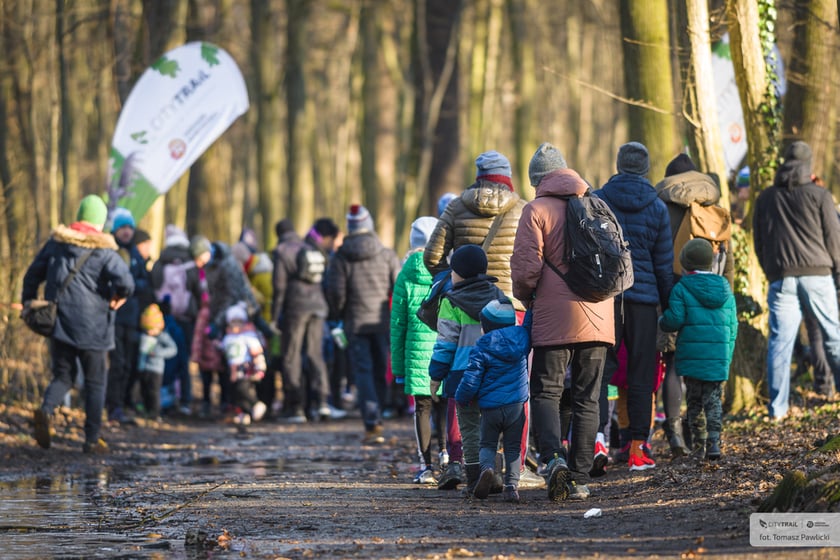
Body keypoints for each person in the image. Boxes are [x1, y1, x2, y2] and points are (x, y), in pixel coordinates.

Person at [511, 142, 615, 501]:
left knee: (547, 391)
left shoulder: (535, 210)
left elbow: (526, 270)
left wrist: (529, 300)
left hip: (555, 316)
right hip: (600, 314)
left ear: (536, 180)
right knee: (588, 396)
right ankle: (581, 476)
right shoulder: (597, 204)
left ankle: (554, 459)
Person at [424, 151, 530, 491]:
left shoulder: (456, 206)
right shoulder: (522, 208)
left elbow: (432, 256)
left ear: (479, 175)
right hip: (509, 305)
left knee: (464, 385)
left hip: (461, 300)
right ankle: (517, 464)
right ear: (508, 176)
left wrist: (454, 280)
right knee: (513, 385)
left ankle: (460, 461)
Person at [22, 194, 134, 453]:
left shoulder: (57, 243)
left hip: (59, 323)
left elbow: (32, 274)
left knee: (64, 375)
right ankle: (92, 440)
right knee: (95, 383)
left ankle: (46, 409)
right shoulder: (105, 251)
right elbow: (127, 282)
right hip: (95, 328)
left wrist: (28, 302)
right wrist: (118, 298)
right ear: (100, 221)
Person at [594, 141, 673, 471]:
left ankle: (596, 439)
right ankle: (638, 448)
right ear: (645, 168)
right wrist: (667, 308)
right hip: (643, 299)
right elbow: (663, 263)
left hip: (606, 298)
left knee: (598, 370)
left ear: (618, 163)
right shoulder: (657, 207)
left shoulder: (599, 199)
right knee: (641, 374)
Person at [753, 141, 840, 420]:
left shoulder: (766, 198)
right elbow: (834, 239)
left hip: (782, 278)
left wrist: (771, 271)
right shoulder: (820, 195)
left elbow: (759, 241)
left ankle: (777, 410)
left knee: (780, 344)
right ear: (809, 163)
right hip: (819, 275)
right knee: (834, 338)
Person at [655, 153, 734, 457]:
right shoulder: (714, 206)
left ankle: (675, 434)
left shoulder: (661, 205)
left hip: (674, 290)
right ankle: (705, 438)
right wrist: (725, 291)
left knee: (674, 364)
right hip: (713, 295)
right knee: (708, 376)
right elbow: (728, 258)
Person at [428, 244, 505, 495]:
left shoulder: (451, 302)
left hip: (463, 374)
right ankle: (492, 470)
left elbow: (445, 343)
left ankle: (474, 477)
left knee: (469, 426)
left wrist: (435, 376)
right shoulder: (498, 296)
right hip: (495, 372)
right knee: (492, 425)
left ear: (459, 274)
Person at [326, 205, 401, 444]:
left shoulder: (341, 257)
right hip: (381, 321)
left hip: (355, 323)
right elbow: (397, 286)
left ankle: (372, 421)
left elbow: (336, 292)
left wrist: (339, 313)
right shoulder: (386, 253)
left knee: (363, 371)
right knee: (380, 368)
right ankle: (379, 411)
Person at [659, 239, 738, 459]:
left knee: (693, 401)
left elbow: (674, 319)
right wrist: (727, 353)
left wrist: (661, 322)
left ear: (685, 263)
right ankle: (714, 442)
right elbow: (733, 325)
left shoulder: (682, 288)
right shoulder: (725, 288)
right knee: (713, 400)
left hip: (692, 358)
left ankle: (698, 445)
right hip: (718, 356)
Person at [455, 298, 530, 503]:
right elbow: (529, 323)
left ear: (486, 326)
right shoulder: (523, 338)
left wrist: (461, 398)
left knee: (487, 445)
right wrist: (531, 304)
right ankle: (511, 487)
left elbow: (471, 379)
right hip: (516, 406)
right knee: (513, 447)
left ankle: (487, 470)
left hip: (490, 408)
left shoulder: (482, 346)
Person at [390, 216, 447, 484]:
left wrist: (398, 368)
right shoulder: (447, 269)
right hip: (445, 348)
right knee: (445, 405)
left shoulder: (405, 273)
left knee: (422, 409)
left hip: (415, 354)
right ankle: (448, 455)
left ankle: (426, 466)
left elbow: (398, 324)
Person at [273, 218, 343, 423]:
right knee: (315, 354)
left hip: (296, 307)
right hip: (318, 306)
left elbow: (279, 287)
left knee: (292, 355)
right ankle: (322, 403)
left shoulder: (282, 250)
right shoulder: (311, 247)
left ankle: (295, 407)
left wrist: (276, 314)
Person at [105, 209, 155, 424]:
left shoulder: (135, 254)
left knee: (130, 364)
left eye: (129, 228)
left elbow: (146, 284)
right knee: (117, 363)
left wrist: (133, 287)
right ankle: (113, 406)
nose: (126, 232)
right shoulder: (109, 251)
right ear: (115, 230)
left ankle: (123, 403)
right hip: (113, 317)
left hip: (132, 318)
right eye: (122, 228)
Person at [151, 225, 206, 415]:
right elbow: (199, 290)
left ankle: (165, 399)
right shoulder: (190, 262)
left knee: (166, 357)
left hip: (164, 317)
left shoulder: (161, 261)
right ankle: (185, 399)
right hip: (187, 318)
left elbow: (154, 287)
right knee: (184, 360)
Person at [221, 302, 268, 430]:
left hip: (245, 369)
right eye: (233, 322)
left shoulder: (248, 337)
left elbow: (257, 353)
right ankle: (243, 413)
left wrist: (260, 369)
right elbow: (224, 349)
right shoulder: (228, 338)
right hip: (232, 370)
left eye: (239, 322)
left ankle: (256, 404)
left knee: (244, 389)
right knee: (235, 392)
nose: (236, 325)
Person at [137, 303, 179, 422]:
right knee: (144, 390)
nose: (150, 332)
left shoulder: (163, 337)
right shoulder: (143, 336)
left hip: (156, 369)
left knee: (154, 391)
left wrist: (158, 353)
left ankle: (155, 413)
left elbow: (173, 349)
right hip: (143, 368)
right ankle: (146, 410)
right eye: (147, 329)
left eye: (152, 329)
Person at [191, 291, 230, 418]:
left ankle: (224, 405)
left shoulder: (226, 313)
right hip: (206, 357)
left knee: (223, 381)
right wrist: (196, 355)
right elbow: (198, 335)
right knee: (206, 382)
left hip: (221, 356)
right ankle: (206, 405)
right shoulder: (205, 313)